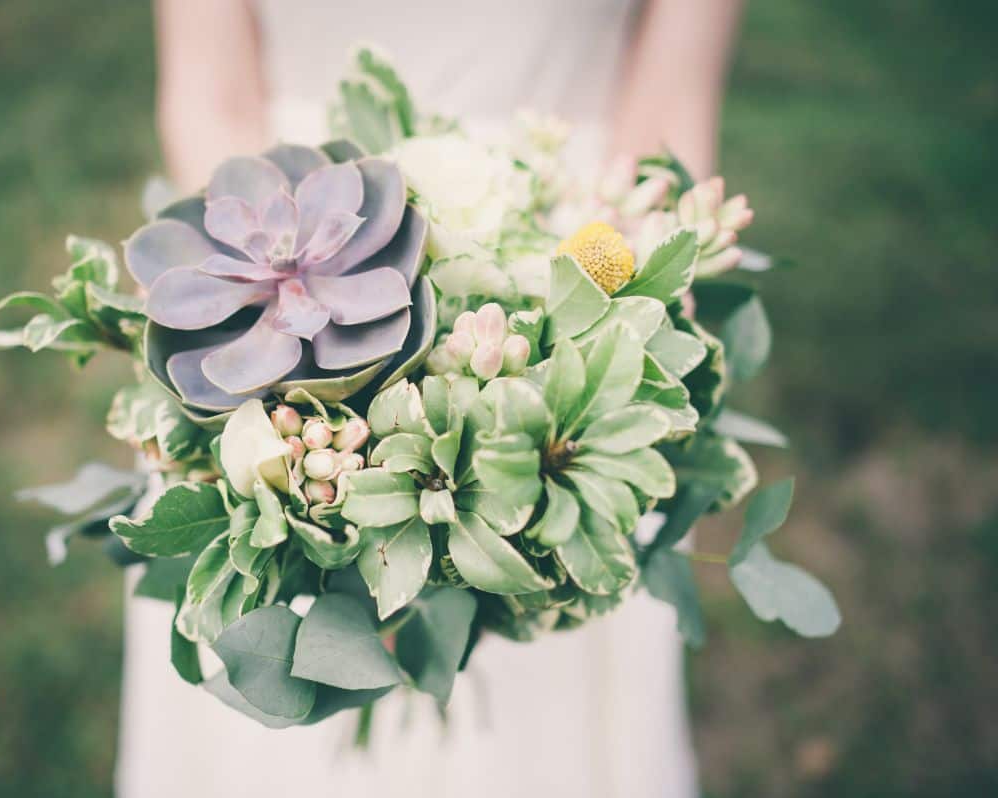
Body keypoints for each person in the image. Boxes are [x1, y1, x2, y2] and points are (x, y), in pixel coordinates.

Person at [117, 2, 744, 796]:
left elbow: (667, 112)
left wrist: (568, 341)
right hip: (281, 298)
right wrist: (293, 383)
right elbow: (212, 97)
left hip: (572, 247)